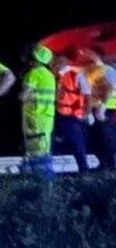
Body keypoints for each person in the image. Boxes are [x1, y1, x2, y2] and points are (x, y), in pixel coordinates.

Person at [19, 45, 57, 177]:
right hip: (46, 117)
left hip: (34, 117)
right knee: (43, 150)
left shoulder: (33, 74)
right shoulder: (50, 76)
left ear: (34, 59)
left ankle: (44, 184)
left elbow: (23, 96)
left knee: (37, 152)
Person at [53, 49, 92, 173]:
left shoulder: (76, 75)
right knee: (57, 141)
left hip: (72, 114)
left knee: (76, 142)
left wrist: (87, 111)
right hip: (57, 112)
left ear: (65, 60)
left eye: (58, 59)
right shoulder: (55, 75)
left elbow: (87, 94)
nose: (55, 62)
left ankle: (83, 168)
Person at [85, 46, 116, 171]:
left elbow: (111, 89)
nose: (86, 55)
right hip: (96, 108)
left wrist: (102, 108)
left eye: (89, 53)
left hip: (106, 109)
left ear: (97, 55)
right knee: (97, 137)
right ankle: (103, 163)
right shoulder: (91, 72)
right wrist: (89, 111)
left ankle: (110, 165)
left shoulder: (108, 70)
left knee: (106, 137)